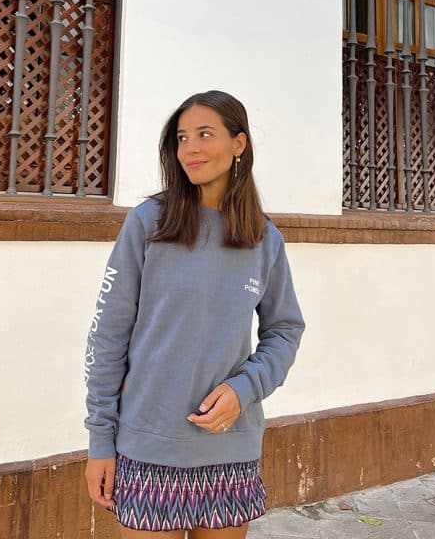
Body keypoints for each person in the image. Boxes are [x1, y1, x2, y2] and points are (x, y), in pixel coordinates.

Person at [83, 90, 306, 538]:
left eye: (205, 134)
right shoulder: (150, 224)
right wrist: (100, 442)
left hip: (230, 449)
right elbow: (107, 337)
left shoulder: (264, 239)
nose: (191, 149)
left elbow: (285, 330)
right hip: (149, 448)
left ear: (238, 144)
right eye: (183, 138)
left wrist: (245, 389)